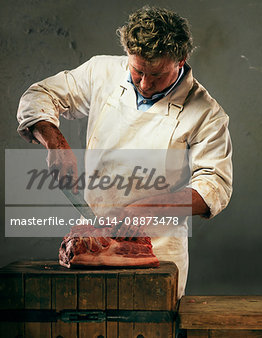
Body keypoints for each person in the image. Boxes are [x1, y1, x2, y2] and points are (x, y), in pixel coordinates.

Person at [16, 6, 232, 297]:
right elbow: (40, 95)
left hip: (156, 251)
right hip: (91, 242)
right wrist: (55, 143)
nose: (144, 83)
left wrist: (144, 210)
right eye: (137, 70)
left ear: (180, 61)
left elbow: (214, 185)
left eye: (156, 75)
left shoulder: (207, 113)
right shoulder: (101, 71)